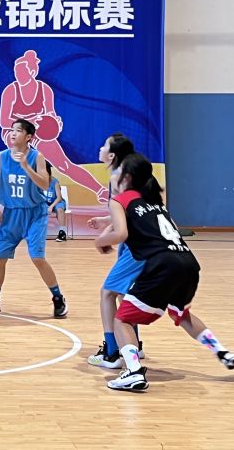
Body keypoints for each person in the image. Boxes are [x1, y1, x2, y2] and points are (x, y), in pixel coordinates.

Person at [94, 153, 234, 392]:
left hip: (162, 264)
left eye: (118, 171)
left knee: (122, 319)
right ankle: (222, 352)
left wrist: (100, 241)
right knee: (182, 314)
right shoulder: (155, 202)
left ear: (127, 177)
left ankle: (133, 372)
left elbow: (121, 234)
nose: (114, 174)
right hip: (188, 263)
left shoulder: (120, 199)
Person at [0, 118, 68, 318]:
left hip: (34, 214)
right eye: (12, 130)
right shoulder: (3, 157)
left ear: (28, 137)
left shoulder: (37, 157)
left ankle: (58, 297)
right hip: (11, 214)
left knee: (37, 258)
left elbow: (45, 184)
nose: (13, 133)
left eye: (18, 130)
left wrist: (26, 166)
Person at [0, 49, 107, 202]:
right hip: (14, 131)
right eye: (16, 72)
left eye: (21, 72)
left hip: (37, 132)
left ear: (32, 72)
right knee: (20, 160)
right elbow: (4, 121)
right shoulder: (10, 90)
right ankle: (12, 197)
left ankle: (100, 190)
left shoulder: (44, 89)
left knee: (64, 165)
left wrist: (55, 123)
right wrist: (29, 121)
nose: (18, 75)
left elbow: (50, 114)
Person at [86, 133, 145, 368]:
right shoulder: (133, 174)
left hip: (136, 243)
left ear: (112, 155)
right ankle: (134, 345)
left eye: (104, 146)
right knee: (123, 294)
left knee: (107, 293)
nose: (99, 149)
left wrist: (105, 236)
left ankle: (112, 352)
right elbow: (132, 210)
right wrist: (105, 221)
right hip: (140, 240)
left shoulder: (118, 177)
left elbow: (127, 215)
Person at [45, 163, 68, 242]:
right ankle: (37, 233)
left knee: (60, 209)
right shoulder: (38, 181)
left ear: (49, 172)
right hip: (44, 203)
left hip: (56, 202)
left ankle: (62, 233)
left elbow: (59, 197)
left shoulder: (55, 182)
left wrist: (51, 206)